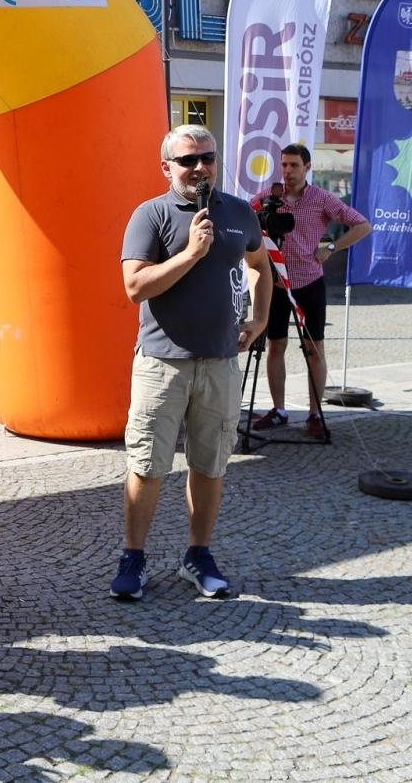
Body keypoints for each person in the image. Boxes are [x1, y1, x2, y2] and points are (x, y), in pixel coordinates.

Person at [113, 125, 270, 601]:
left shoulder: (240, 212)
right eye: (187, 160)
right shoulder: (151, 215)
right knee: (147, 465)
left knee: (210, 464)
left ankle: (198, 555)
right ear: (167, 168)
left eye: (207, 157)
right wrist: (190, 254)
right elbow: (135, 287)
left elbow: (260, 264)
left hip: (220, 362)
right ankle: (133, 557)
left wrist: (260, 317)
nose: (199, 167)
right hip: (163, 364)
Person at [247, 143, 370, 437]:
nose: (288, 171)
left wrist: (331, 247)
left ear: (307, 168)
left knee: (314, 349)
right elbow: (244, 222)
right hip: (275, 284)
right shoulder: (268, 197)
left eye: (294, 166)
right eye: (284, 165)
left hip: (308, 281)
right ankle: (279, 410)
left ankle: (315, 413)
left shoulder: (321, 199)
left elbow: (362, 225)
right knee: (276, 345)